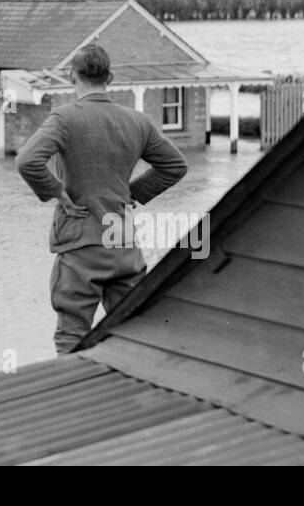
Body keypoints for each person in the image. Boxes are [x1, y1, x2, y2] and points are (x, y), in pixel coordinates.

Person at [16, 45, 187, 355]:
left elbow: (27, 161)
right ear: (111, 77)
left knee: (72, 337)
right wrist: (131, 194)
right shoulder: (137, 121)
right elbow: (175, 166)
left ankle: (74, 398)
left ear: (72, 77)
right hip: (123, 245)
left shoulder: (64, 118)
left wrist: (57, 192)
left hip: (81, 243)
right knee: (132, 334)